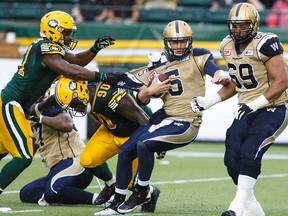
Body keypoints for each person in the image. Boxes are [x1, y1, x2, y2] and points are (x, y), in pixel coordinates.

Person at [94, 19, 231, 215]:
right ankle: (118, 201)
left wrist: (220, 73)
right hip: (164, 117)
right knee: (126, 150)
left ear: (189, 41)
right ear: (166, 42)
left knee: (145, 144)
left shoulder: (197, 56)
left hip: (186, 122)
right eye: (174, 42)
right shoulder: (158, 65)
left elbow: (212, 68)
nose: (179, 46)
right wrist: (150, 90)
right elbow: (139, 97)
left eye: (183, 41)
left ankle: (142, 191)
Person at [0, 10, 120, 205]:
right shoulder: (44, 46)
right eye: (65, 32)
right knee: (22, 156)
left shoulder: (53, 48)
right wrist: (101, 77)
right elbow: (67, 69)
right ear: (53, 30)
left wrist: (94, 49)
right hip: (12, 104)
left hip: (20, 107)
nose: (69, 37)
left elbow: (77, 61)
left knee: (4, 152)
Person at [191, 3, 288, 216]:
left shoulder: (266, 44)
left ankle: (235, 207)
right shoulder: (226, 45)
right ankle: (251, 206)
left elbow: (282, 80)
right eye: (234, 26)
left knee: (250, 150)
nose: (237, 31)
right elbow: (238, 83)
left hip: (274, 107)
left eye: (243, 26)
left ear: (254, 25)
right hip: (246, 108)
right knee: (232, 157)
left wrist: (254, 104)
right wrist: (210, 101)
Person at [20, 81, 100, 206]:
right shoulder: (29, 116)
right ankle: (58, 196)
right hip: (60, 169)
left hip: (76, 162)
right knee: (27, 192)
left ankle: (101, 199)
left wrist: (40, 118)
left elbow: (67, 124)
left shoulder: (46, 108)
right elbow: (30, 150)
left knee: (52, 191)